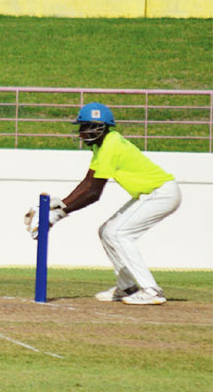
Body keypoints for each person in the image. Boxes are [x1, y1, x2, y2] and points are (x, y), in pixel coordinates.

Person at [25, 102, 181, 305]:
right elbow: (87, 182)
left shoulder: (111, 145)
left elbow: (93, 192)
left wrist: (58, 213)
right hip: (152, 194)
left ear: (98, 127)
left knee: (118, 233)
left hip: (162, 193)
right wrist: (59, 206)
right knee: (107, 232)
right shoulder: (102, 147)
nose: (81, 133)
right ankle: (127, 287)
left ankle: (151, 290)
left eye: (85, 127)